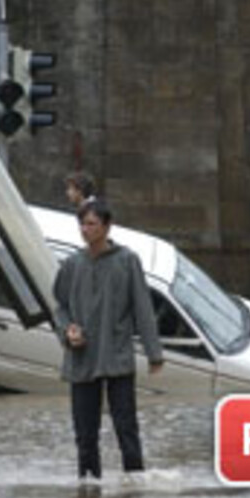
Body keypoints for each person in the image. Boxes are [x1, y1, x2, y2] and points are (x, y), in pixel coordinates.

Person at [51, 199, 164, 483]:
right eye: (82, 224)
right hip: (82, 358)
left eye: (91, 224)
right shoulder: (72, 264)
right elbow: (59, 307)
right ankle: (88, 490)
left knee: (126, 428)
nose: (85, 230)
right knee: (85, 435)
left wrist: (154, 353)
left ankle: (135, 488)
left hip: (117, 357)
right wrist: (67, 331)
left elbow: (142, 308)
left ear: (107, 226)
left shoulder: (127, 261)